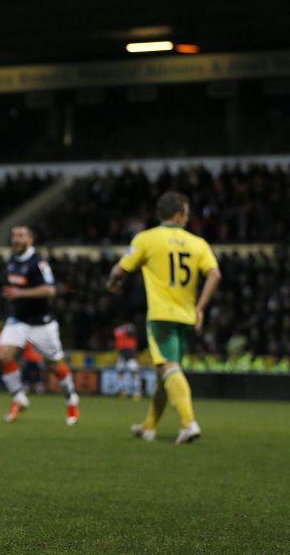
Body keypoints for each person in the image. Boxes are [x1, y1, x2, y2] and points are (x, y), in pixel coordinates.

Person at [107, 191, 221, 445]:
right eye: (188, 212)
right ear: (179, 214)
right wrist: (200, 308)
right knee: (166, 373)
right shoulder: (198, 243)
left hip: (160, 316)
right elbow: (215, 275)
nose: (189, 217)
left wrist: (112, 282)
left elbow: (121, 269)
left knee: (168, 368)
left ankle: (188, 423)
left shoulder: (147, 238)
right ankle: (149, 427)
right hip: (187, 317)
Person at [0, 226, 80, 425]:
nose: (16, 240)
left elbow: (50, 290)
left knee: (55, 365)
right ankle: (19, 398)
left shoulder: (38, 263)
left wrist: (20, 294)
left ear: (30, 240)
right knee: (4, 356)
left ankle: (71, 399)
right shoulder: (11, 261)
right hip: (18, 320)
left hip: (41, 323)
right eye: (14, 236)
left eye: (21, 236)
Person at [113, 322, 142, 398]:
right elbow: (116, 331)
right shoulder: (122, 335)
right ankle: (122, 390)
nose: (131, 333)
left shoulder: (133, 338)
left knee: (135, 373)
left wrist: (127, 328)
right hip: (122, 357)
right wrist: (125, 327)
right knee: (120, 373)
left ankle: (137, 391)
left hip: (130, 357)